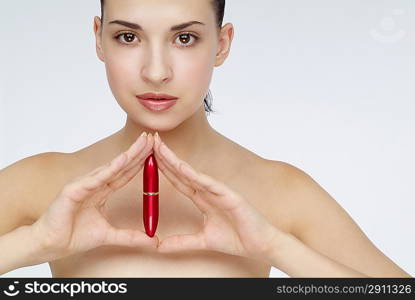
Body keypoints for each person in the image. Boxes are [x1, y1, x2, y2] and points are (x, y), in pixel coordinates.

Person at [0, 0, 411, 277]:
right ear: (98, 38)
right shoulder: (42, 181)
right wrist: (34, 243)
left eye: (185, 38)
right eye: (128, 37)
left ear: (222, 44)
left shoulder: (281, 190)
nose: (156, 72)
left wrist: (276, 248)